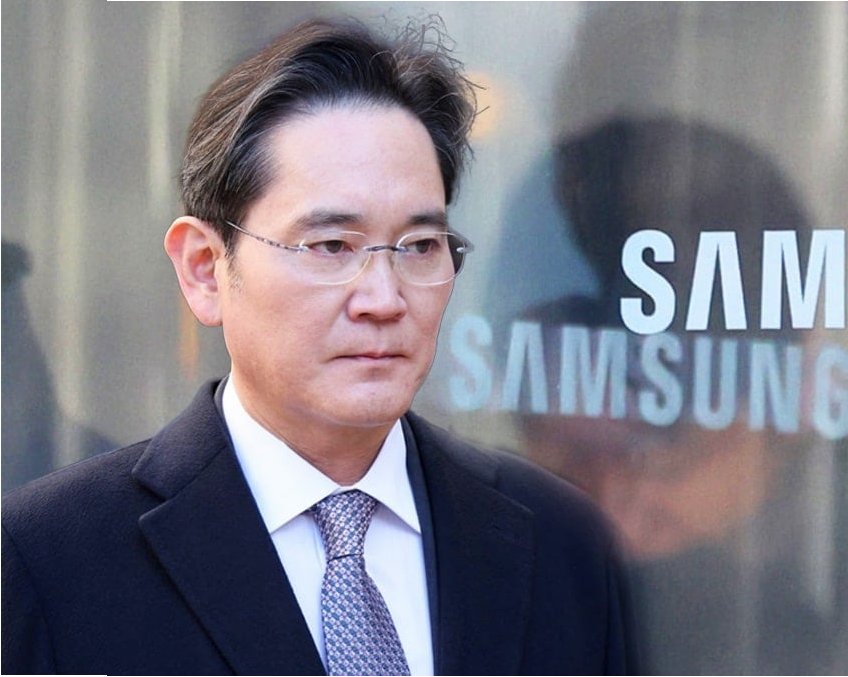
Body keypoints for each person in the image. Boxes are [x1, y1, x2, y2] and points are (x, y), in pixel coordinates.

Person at [1, 17, 631, 676]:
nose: (384, 298)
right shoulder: (49, 560)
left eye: (420, 246)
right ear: (204, 269)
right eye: (331, 246)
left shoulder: (560, 543)